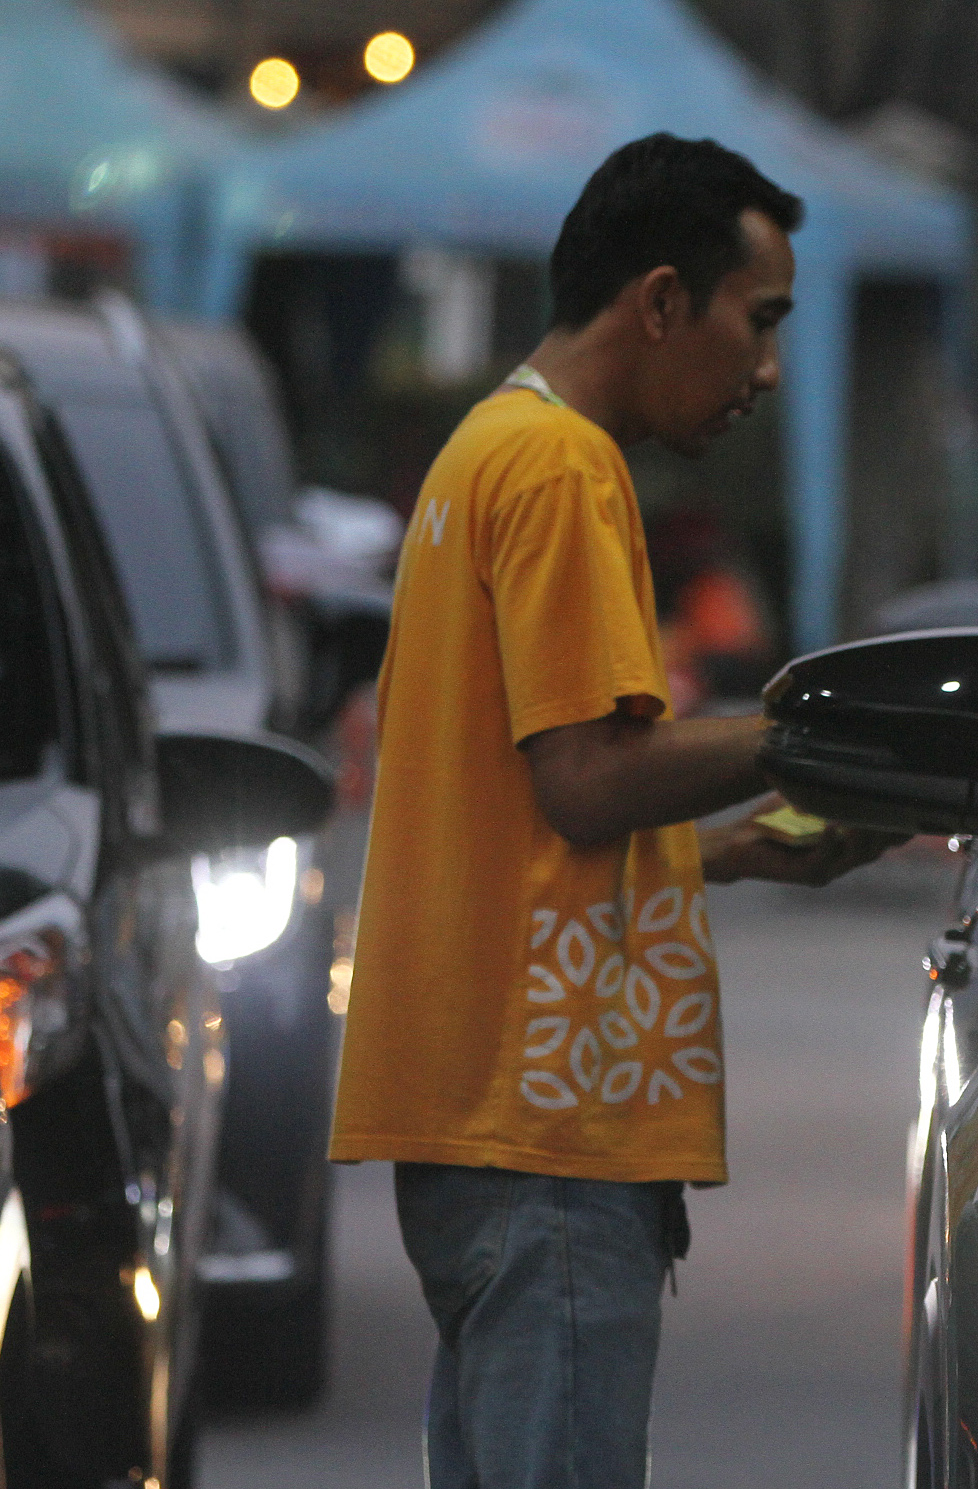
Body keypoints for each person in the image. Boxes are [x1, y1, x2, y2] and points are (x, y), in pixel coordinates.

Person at [329, 133, 897, 1489]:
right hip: (549, 1141)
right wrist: (800, 736)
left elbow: (511, 821)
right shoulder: (565, 469)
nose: (764, 372)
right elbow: (584, 781)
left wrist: (727, 852)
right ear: (657, 301)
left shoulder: (485, 451)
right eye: (755, 323)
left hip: (482, 1122)